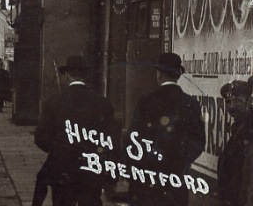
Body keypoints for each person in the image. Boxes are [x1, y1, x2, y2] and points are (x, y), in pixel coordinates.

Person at [34, 56, 117, 206]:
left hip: (62, 168)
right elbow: (112, 139)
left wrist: (58, 148)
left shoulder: (54, 102)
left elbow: (40, 137)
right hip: (91, 166)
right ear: (85, 76)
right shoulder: (102, 103)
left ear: (67, 75)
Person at [127, 53, 205, 206]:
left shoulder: (146, 102)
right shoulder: (191, 104)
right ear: (178, 75)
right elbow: (198, 141)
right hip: (176, 181)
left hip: (147, 180)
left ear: (159, 74)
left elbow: (133, 140)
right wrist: (180, 163)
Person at [217, 79, 253, 206]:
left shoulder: (247, 131)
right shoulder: (240, 129)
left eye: (237, 100)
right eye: (228, 102)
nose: (231, 107)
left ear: (249, 101)